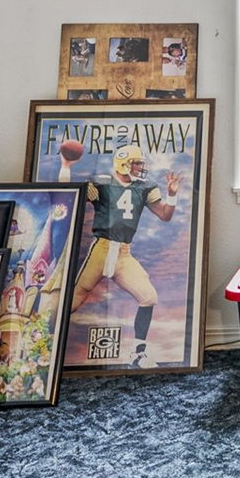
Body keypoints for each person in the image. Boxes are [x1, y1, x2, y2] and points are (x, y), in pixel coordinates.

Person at [60, 141, 180, 369]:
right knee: (74, 300)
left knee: (148, 296)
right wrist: (65, 167)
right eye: (136, 163)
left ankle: (138, 354)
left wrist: (172, 195)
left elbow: (165, 215)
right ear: (124, 164)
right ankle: (47, 340)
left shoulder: (144, 187)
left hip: (124, 253)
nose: (141, 168)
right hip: (102, 249)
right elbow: (67, 196)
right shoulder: (102, 183)